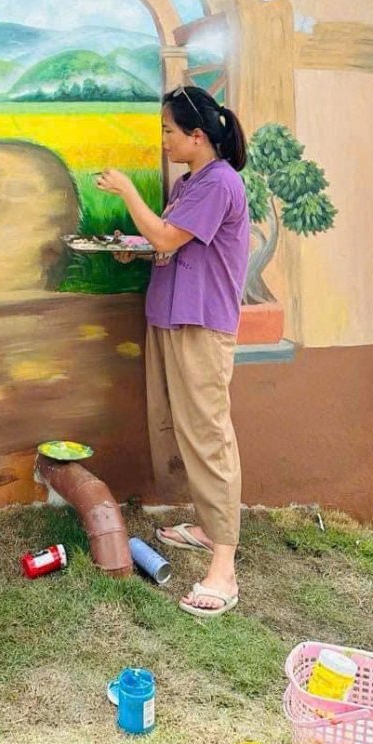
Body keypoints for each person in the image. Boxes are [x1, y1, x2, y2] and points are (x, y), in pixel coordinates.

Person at [96, 86, 250, 619]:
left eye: (168, 130)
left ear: (197, 135)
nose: (162, 140)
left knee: (207, 436)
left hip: (200, 326)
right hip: (170, 318)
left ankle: (224, 568)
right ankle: (208, 530)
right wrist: (131, 246)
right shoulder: (190, 184)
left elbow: (166, 238)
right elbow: (168, 245)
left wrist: (126, 193)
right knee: (179, 430)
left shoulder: (219, 184)